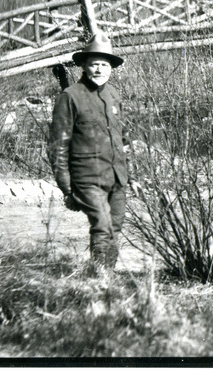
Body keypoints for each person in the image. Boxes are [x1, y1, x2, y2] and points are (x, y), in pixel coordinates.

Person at [48, 32, 132, 273]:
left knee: (114, 228)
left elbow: (124, 138)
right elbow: (58, 146)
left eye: (104, 65)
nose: (99, 70)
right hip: (87, 178)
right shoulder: (70, 97)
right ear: (84, 65)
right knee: (103, 227)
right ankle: (99, 279)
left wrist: (132, 177)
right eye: (94, 64)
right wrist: (66, 188)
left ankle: (108, 278)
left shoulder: (114, 95)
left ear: (111, 68)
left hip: (117, 177)